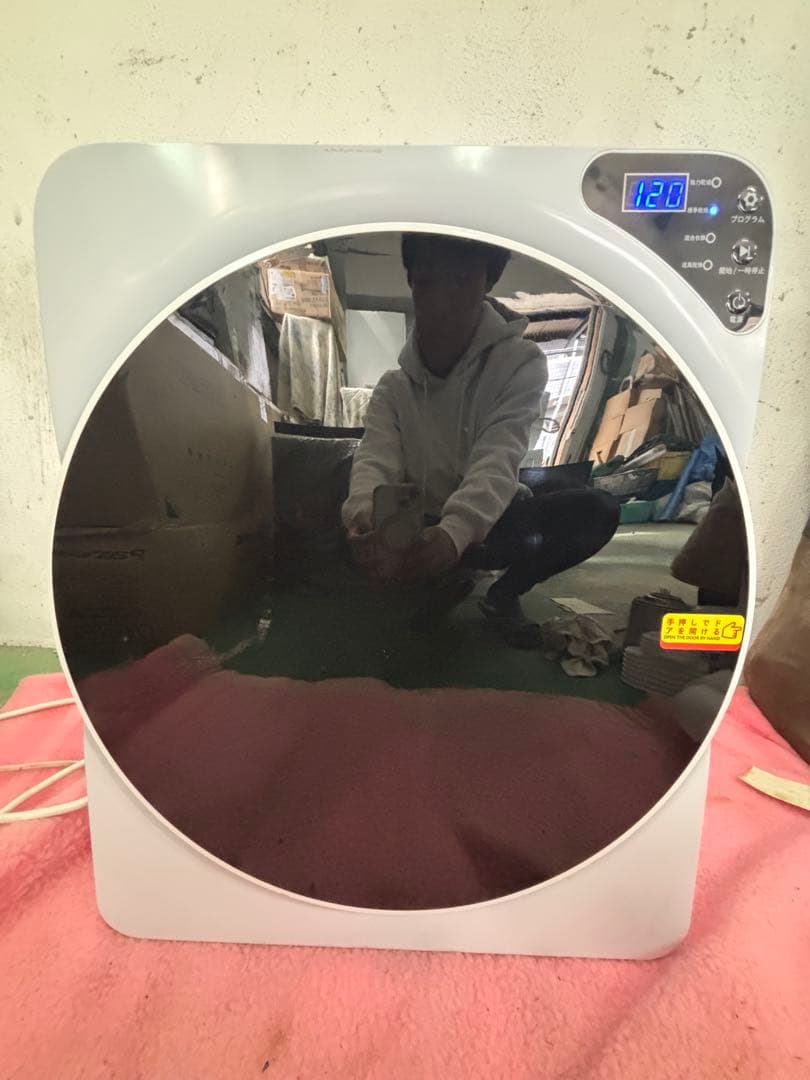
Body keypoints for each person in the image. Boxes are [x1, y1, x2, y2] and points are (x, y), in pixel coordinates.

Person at [341, 233, 619, 645]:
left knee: (595, 509)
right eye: (427, 282)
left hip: (487, 525)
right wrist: (362, 516)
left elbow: (498, 456)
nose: (440, 303)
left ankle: (502, 593)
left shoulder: (520, 363)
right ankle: (443, 579)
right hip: (421, 526)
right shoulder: (392, 389)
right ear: (411, 280)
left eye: (459, 281)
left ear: (489, 280)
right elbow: (373, 460)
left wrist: (455, 533)